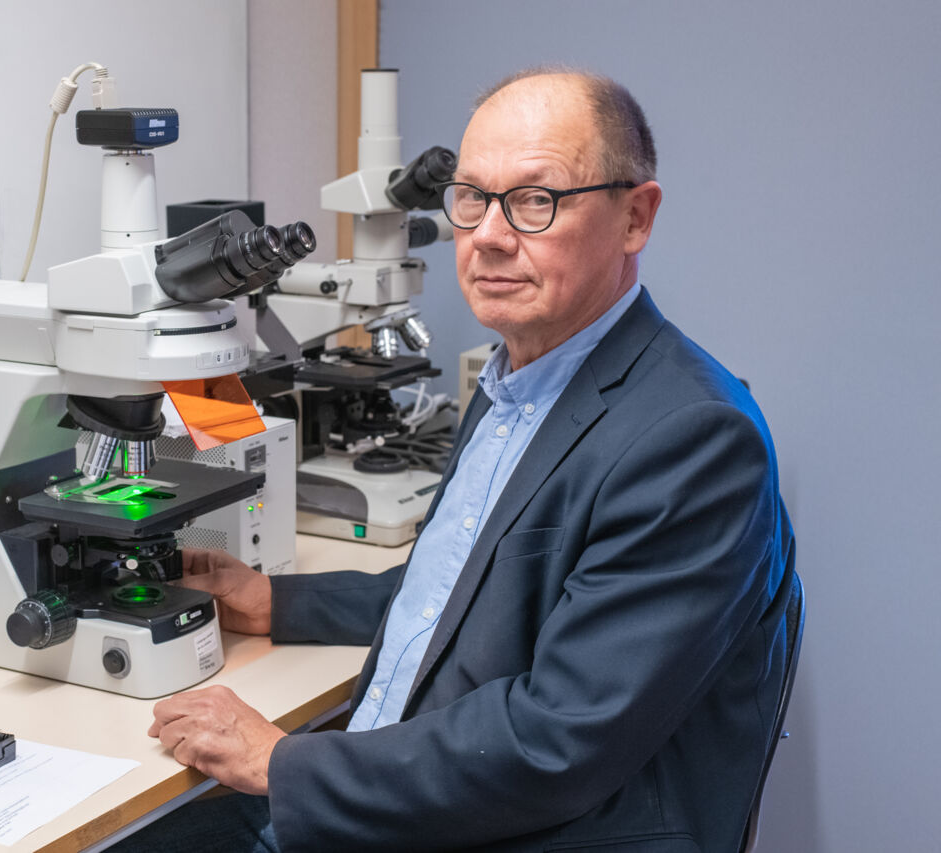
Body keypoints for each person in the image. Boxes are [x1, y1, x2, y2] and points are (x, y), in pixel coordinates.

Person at [120, 67, 796, 852]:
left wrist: (285, 760)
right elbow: (462, 599)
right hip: (402, 793)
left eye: (536, 200)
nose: (490, 236)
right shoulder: (518, 379)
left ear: (635, 216)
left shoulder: (694, 439)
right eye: (472, 197)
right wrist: (273, 601)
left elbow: (558, 740)